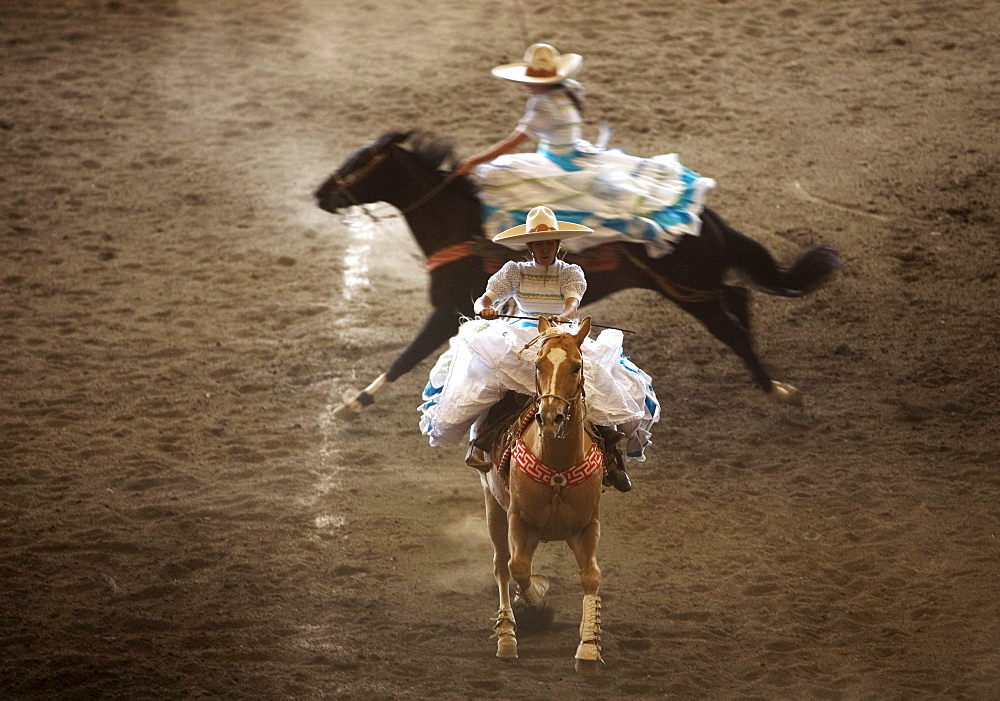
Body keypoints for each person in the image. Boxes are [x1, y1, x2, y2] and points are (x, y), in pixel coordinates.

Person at [418, 206, 660, 493]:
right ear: (530, 246)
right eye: (538, 244)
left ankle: (611, 459)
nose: (544, 249)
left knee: (594, 386)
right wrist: (485, 310)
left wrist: (566, 315)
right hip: (522, 337)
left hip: (561, 334)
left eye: (549, 243)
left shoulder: (570, 272)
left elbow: (572, 301)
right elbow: (484, 299)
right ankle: (482, 440)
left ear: (557, 245)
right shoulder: (514, 272)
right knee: (493, 384)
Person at [455, 43, 716, 258]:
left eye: (529, 80)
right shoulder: (568, 91)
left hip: (556, 162)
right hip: (575, 155)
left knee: (497, 178)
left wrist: (474, 161)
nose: (525, 85)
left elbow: (513, 142)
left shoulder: (542, 106)